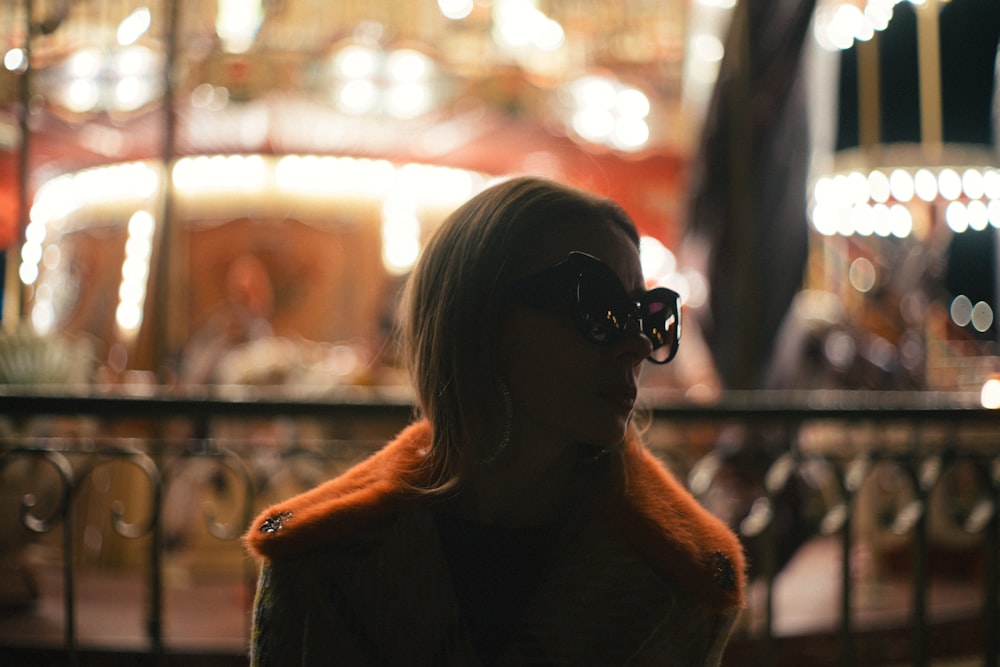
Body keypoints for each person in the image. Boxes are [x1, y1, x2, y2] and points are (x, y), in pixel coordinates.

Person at [244, 176, 746, 666]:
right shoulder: (314, 556)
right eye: (596, 305)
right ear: (478, 320)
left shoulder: (684, 578)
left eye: (644, 313)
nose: (637, 343)